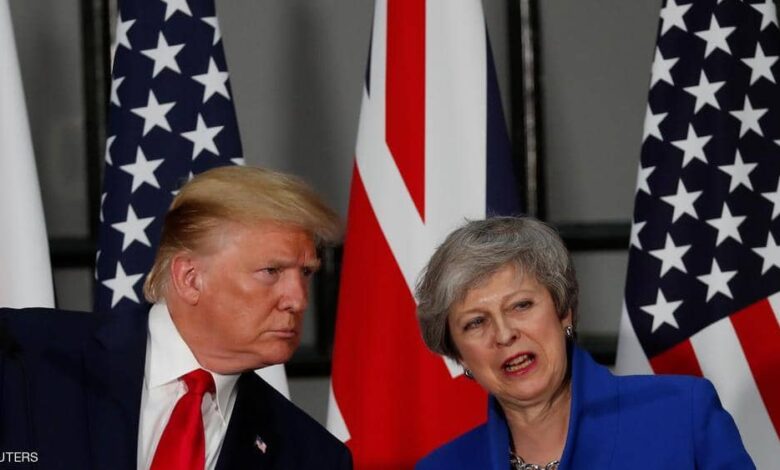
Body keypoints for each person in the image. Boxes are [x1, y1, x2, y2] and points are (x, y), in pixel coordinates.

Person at [0, 166, 352, 469]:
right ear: (190, 278)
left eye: (306, 273)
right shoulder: (22, 356)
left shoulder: (312, 456)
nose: (298, 299)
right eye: (271, 271)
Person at [414, 216, 753, 469]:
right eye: (475, 322)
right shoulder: (443, 466)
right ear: (459, 355)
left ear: (564, 313)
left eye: (521, 305)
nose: (504, 335)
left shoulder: (681, 416)